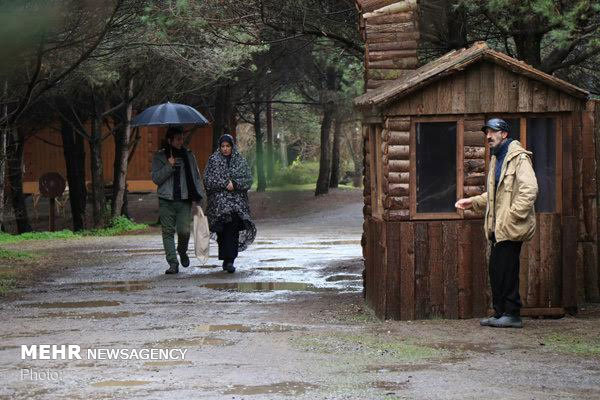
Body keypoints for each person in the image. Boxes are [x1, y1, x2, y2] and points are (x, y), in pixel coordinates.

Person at [455, 118, 538, 328]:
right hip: (498, 228)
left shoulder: (519, 158)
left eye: (493, 132)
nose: (488, 136)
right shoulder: (496, 159)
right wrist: (472, 202)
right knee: (497, 270)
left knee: (507, 270)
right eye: (487, 133)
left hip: (510, 227)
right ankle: (501, 313)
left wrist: (511, 216)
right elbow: (493, 196)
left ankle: (512, 314)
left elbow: (529, 190)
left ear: (504, 134)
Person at [151, 125, 205, 274]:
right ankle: (173, 263)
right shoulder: (159, 156)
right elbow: (156, 178)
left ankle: (182, 251)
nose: (181, 141)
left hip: (184, 200)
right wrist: (169, 165)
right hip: (166, 200)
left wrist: (199, 198)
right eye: (178, 139)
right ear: (170, 140)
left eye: (182, 138)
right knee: (167, 232)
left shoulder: (189, 155)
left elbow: (196, 177)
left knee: (184, 231)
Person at [204, 134, 256, 273]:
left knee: (232, 229)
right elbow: (208, 181)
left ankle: (230, 260)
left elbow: (248, 179)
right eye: (223, 146)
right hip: (219, 203)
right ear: (219, 147)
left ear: (232, 146)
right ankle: (225, 259)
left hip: (236, 202)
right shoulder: (213, 160)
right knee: (223, 230)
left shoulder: (240, 160)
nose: (225, 149)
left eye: (228, 146)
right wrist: (225, 183)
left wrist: (236, 184)